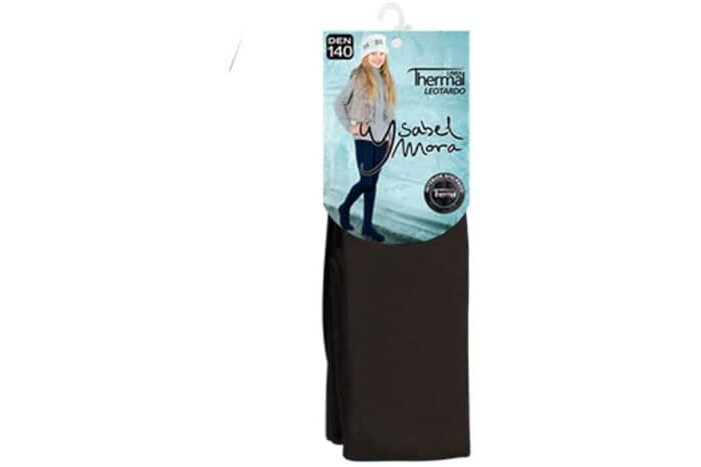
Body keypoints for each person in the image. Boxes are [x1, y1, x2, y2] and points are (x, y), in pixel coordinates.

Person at [333, 33, 396, 242]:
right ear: (365, 56)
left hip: (382, 138)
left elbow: (388, 111)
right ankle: (344, 207)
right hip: (364, 137)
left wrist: (389, 138)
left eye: (381, 53)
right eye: (373, 53)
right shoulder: (359, 77)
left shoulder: (387, 79)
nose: (378, 58)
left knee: (373, 182)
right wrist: (350, 127)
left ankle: (367, 226)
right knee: (366, 180)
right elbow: (339, 103)